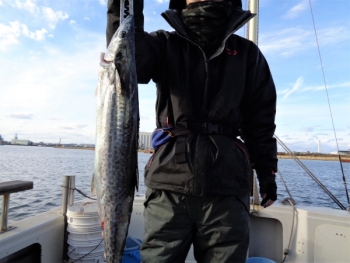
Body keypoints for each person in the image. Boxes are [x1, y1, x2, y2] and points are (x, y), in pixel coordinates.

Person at [107, 0, 278, 262]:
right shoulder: (164, 44)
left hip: (228, 188)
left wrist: (266, 172)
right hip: (168, 184)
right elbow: (127, 60)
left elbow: (261, 121)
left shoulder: (247, 53)